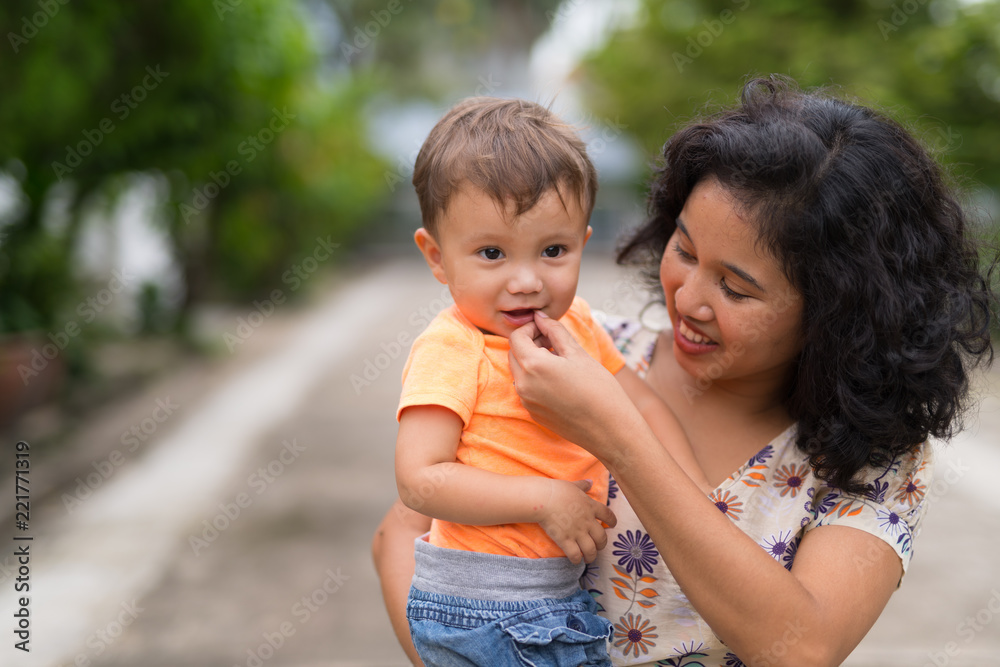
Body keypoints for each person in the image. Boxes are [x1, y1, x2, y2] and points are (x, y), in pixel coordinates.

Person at [374, 76, 996, 666]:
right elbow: (405, 535)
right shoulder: (562, 352)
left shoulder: (874, 461)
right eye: (685, 250)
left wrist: (618, 436)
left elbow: (802, 650)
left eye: (735, 288)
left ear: (837, 314)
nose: (687, 298)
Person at [394, 97, 708, 667]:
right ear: (437, 257)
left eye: (553, 251)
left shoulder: (577, 325)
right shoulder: (454, 347)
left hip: (556, 595)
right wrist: (544, 500)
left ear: (582, 243)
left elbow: (643, 406)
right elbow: (420, 480)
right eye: (492, 253)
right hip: (484, 603)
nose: (526, 281)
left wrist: (695, 498)